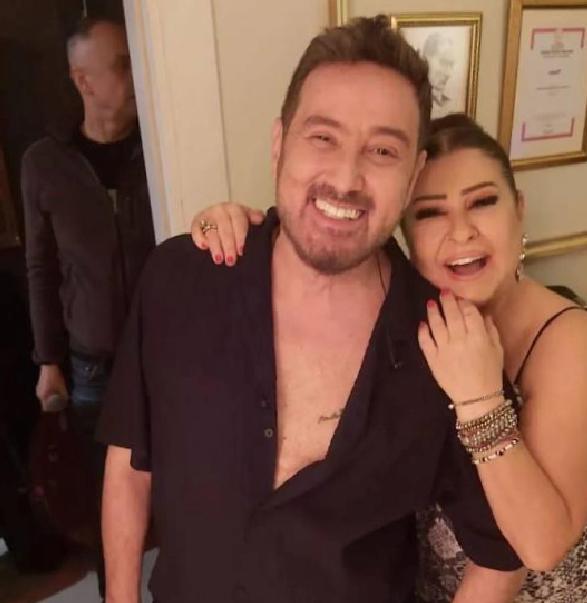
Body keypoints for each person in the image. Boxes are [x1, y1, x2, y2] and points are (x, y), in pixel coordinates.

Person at [98, 16, 523, 603]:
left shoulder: (450, 347)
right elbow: (129, 466)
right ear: (280, 144)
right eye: (323, 137)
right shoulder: (181, 277)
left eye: (382, 150)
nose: (346, 178)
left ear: (412, 177)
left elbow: (502, 552)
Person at [192, 114, 587, 602]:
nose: (461, 232)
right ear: (402, 232)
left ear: (518, 210)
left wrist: (480, 399)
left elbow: (541, 546)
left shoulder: (568, 340)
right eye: (430, 213)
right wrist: (233, 230)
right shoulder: (403, 315)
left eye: (482, 202)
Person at [21, 16, 155, 597]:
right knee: (107, 501)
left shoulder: (163, 144)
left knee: (185, 486)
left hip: (166, 356)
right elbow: (41, 268)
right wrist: (48, 361)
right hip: (91, 365)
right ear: (83, 81)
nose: (136, 75)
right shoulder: (44, 164)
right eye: (122, 65)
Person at [421, 32, 457, 118]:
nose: (449, 74)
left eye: (451, 65)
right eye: (444, 63)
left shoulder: (450, 107)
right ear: (425, 58)